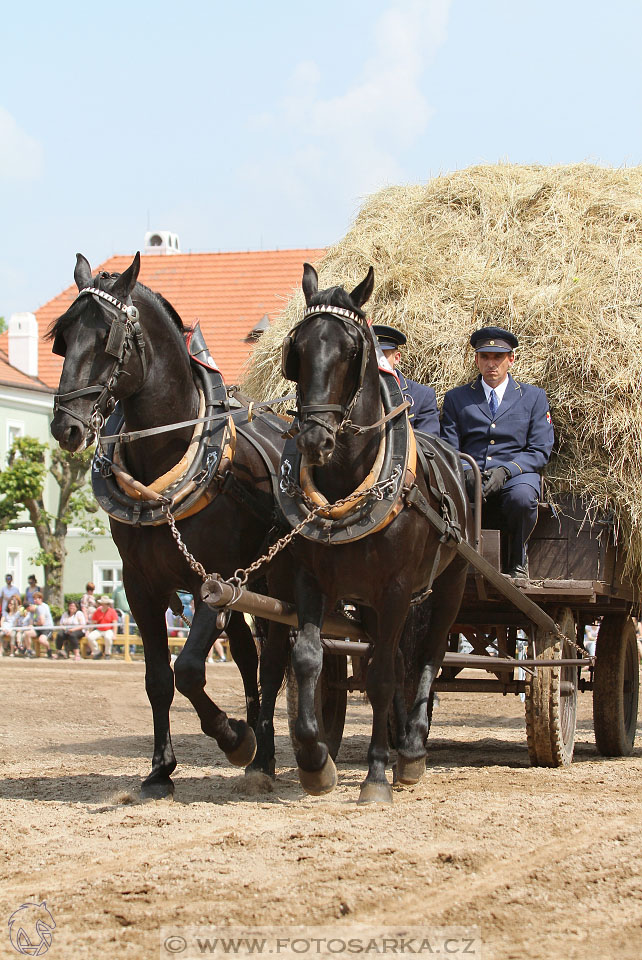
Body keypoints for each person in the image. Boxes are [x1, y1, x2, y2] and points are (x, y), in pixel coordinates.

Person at [441, 326, 554, 578]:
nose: (491, 363)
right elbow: (449, 447)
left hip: (516, 474)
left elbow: (540, 448)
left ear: (510, 359)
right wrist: (469, 473)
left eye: (498, 357)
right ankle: (454, 562)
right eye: (485, 357)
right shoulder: (457, 398)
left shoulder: (533, 397)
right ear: (476, 360)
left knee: (523, 498)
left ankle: (518, 560)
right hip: (471, 472)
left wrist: (506, 470)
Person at [372, 325, 440, 434]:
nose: (376, 362)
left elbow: (428, 443)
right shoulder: (353, 395)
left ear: (397, 358)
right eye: (371, 356)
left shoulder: (421, 396)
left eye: (382, 356)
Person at [22, 591, 54, 657]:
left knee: (41, 640)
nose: (34, 600)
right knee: (27, 633)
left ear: (41, 599)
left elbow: (42, 622)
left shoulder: (41, 607)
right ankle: (29, 651)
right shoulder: (37, 608)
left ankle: (49, 649)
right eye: (34, 599)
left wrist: (34, 623)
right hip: (39, 628)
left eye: (36, 599)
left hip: (47, 628)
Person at [86, 595, 118, 659]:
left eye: (106, 604)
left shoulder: (112, 611)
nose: (104, 605)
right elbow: (93, 623)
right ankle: (97, 652)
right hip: (99, 630)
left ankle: (107, 654)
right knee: (90, 637)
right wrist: (89, 631)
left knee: (108, 637)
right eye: (103, 604)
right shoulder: (97, 611)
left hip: (108, 630)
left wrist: (114, 634)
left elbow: (115, 624)